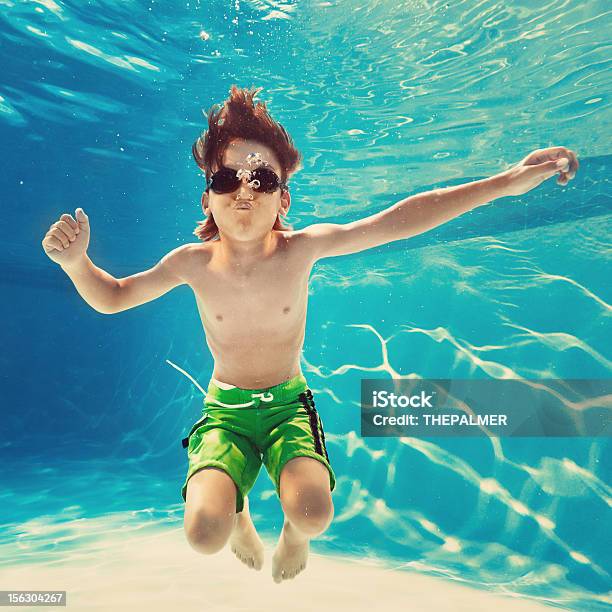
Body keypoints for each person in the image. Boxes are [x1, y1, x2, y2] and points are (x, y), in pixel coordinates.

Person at [41, 85, 579, 583]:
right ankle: (239, 512)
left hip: (288, 406)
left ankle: (293, 537)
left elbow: (399, 219)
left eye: (263, 180)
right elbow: (112, 297)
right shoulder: (191, 262)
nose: (244, 191)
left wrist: (507, 182)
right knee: (206, 535)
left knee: (314, 514)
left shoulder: (302, 249)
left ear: (284, 199)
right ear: (207, 199)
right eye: (226, 179)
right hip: (225, 411)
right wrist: (76, 264)